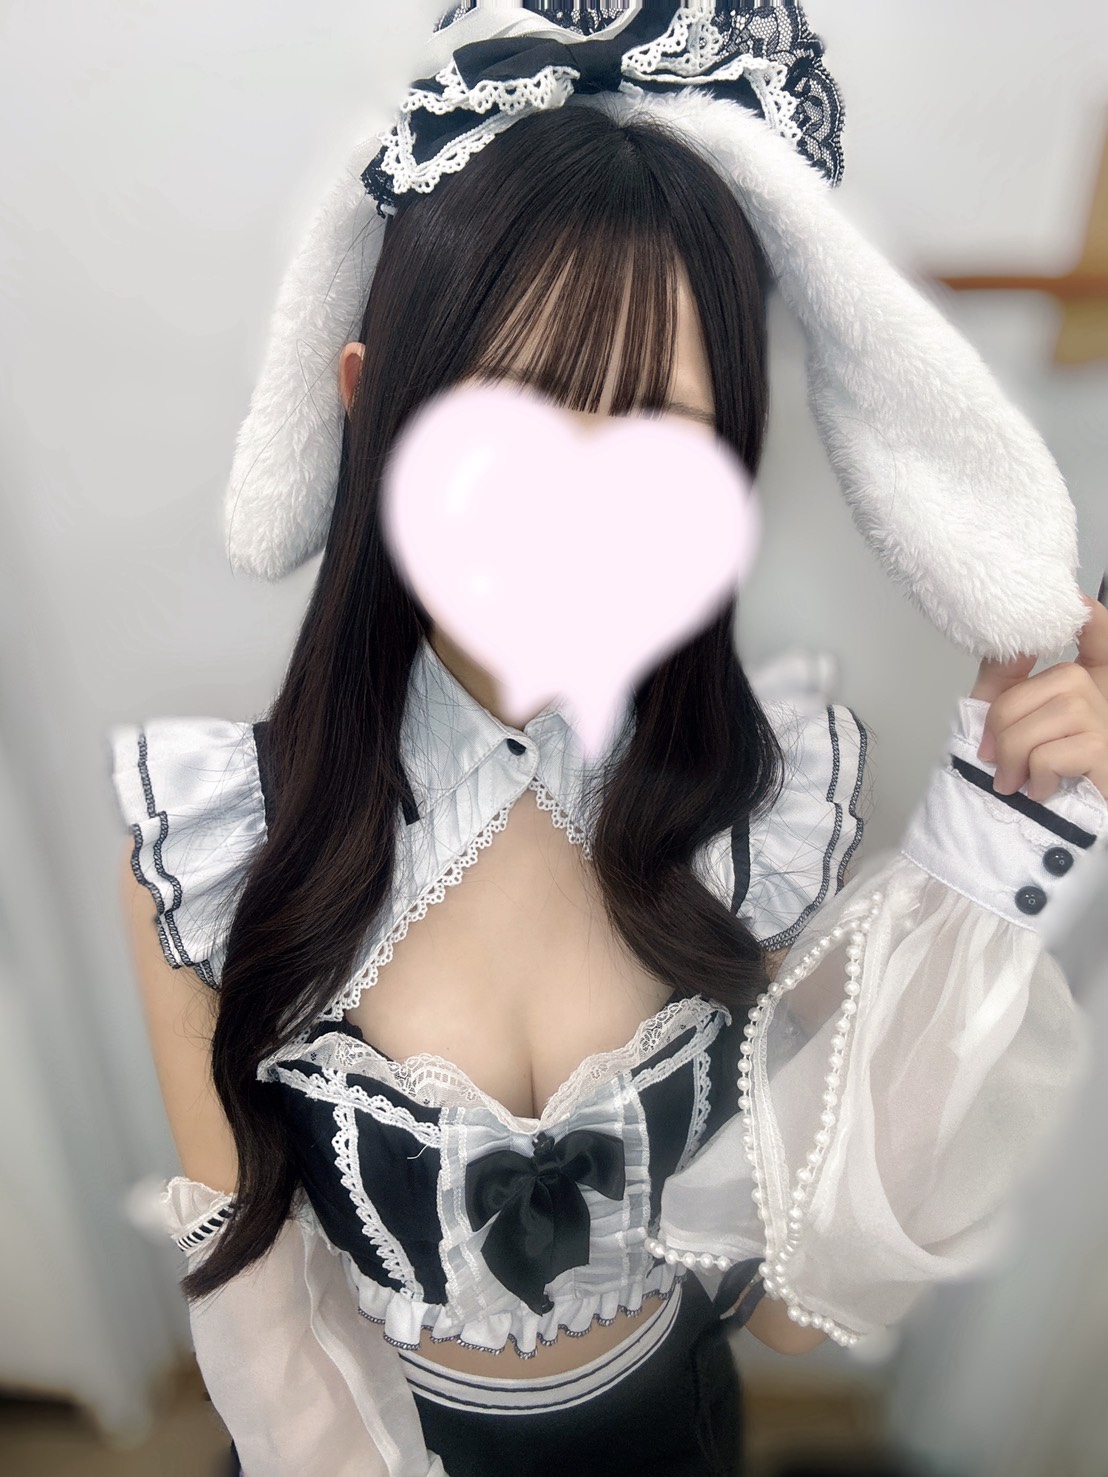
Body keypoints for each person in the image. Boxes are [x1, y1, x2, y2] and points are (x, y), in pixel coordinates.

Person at [108, 5, 1108, 1475]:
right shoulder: (212, 843)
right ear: (367, 402)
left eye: (658, 430)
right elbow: (270, 1336)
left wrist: (998, 845)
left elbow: (796, 1309)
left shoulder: (764, 812)